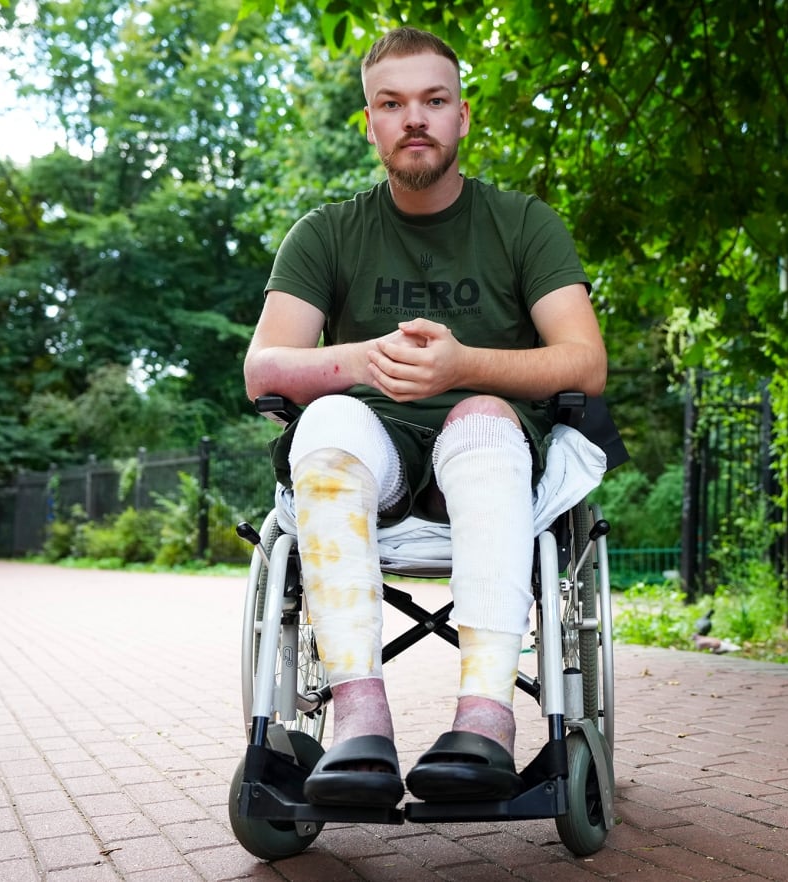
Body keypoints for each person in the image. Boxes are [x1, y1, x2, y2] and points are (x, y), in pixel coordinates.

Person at [243, 26, 607, 808]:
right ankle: (359, 722)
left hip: (490, 456)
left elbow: (584, 362)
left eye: (434, 101)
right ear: (370, 122)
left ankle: (486, 720)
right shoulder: (327, 233)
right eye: (393, 103)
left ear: (462, 117)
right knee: (331, 420)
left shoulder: (523, 224)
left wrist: (464, 365)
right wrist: (368, 359)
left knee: (478, 412)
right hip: (375, 457)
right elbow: (264, 368)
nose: (415, 118)